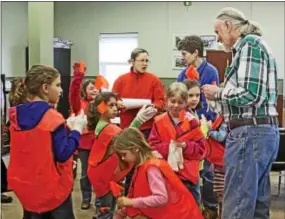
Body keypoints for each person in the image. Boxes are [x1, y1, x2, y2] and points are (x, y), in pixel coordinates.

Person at [202, 7, 279, 219]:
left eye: (218, 32)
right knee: (256, 205)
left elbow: (250, 93)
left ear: (229, 25)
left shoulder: (249, 44)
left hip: (249, 133)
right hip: (260, 132)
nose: (217, 38)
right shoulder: (256, 46)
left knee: (236, 204)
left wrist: (218, 93)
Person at [8, 65, 87, 219]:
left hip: (27, 188)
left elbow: (38, 143)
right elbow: (63, 154)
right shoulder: (53, 117)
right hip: (51, 191)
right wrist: (77, 130)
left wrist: (65, 128)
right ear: (45, 87)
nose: (60, 90)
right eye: (57, 85)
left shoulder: (16, 115)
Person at [87, 92, 157, 219]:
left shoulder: (103, 125)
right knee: (106, 211)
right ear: (101, 108)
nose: (115, 108)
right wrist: (139, 120)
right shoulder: (108, 129)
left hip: (102, 177)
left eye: (116, 105)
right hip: (104, 179)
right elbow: (125, 137)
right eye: (111, 105)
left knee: (105, 208)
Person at [113, 127, 204, 219]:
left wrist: (131, 202)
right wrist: (124, 209)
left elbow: (161, 198)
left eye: (124, 154)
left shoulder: (151, 167)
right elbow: (137, 192)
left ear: (136, 148)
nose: (123, 158)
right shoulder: (142, 165)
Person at [112, 48, 165, 196]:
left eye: (147, 60)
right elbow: (113, 102)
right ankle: (129, 194)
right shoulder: (121, 80)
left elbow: (161, 101)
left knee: (145, 164)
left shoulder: (154, 80)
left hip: (147, 129)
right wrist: (119, 105)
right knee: (129, 165)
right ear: (132, 62)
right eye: (142, 60)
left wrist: (154, 107)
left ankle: (146, 194)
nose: (145, 63)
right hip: (128, 129)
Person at [177, 36, 219, 217]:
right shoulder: (182, 74)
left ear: (195, 53)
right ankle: (191, 208)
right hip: (187, 127)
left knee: (208, 173)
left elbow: (213, 102)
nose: (183, 57)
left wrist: (209, 123)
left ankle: (210, 208)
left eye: (185, 54)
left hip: (206, 126)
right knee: (191, 172)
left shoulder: (211, 72)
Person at [148, 82, 207, 204]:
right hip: (166, 174)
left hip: (188, 177)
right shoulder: (159, 122)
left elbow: (202, 150)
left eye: (180, 102)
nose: (176, 105)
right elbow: (152, 146)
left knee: (191, 209)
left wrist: (185, 146)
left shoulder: (192, 122)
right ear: (166, 101)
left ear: (186, 103)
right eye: (172, 101)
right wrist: (170, 147)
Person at [69, 62, 99, 209]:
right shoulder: (79, 104)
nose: (95, 90)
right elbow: (73, 91)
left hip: (100, 143)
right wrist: (78, 75)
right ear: (85, 91)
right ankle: (86, 198)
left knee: (100, 172)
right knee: (85, 173)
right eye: (91, 88)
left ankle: (100, 200)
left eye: (96, 88)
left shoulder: (102, 104)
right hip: (85, 144)